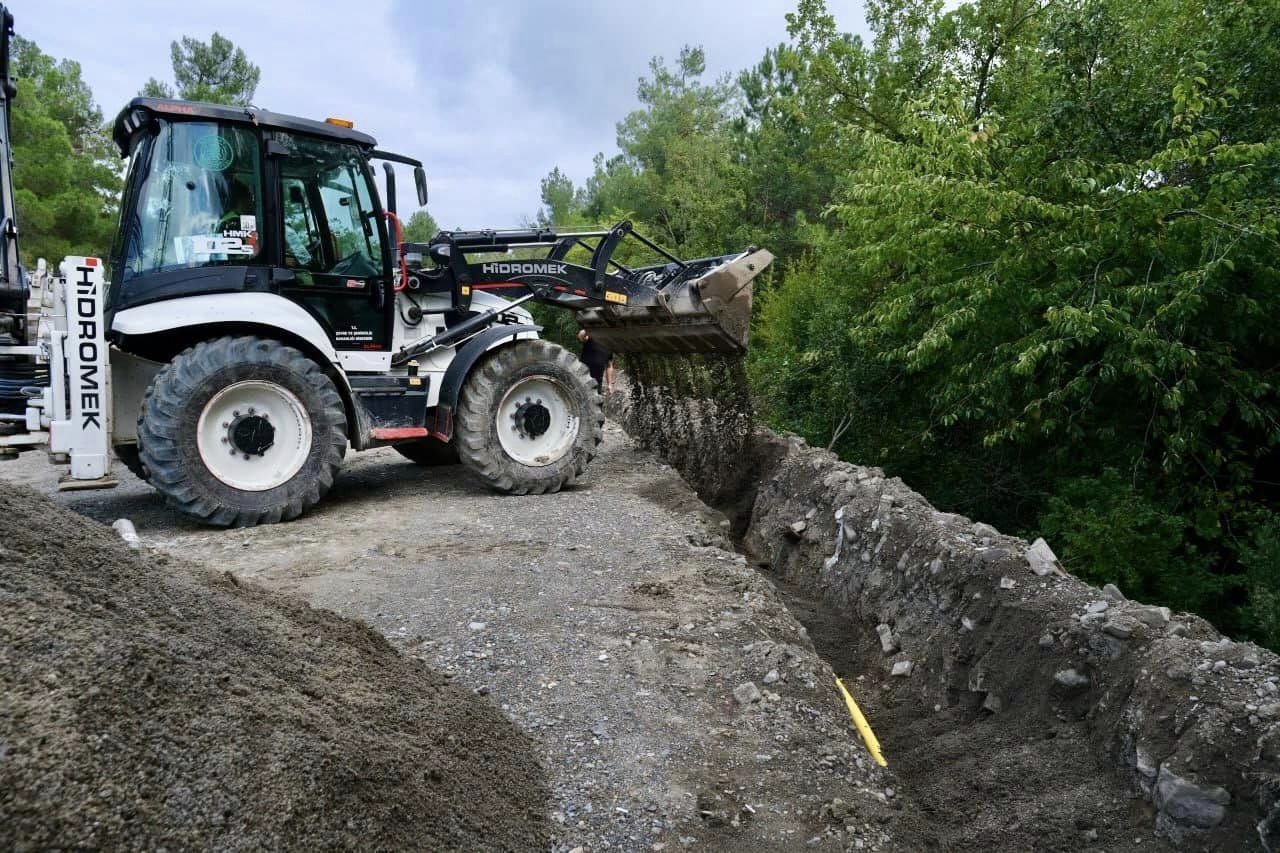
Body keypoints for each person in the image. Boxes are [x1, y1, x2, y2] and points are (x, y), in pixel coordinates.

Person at [578, 328, 614, 394]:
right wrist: (590, 329)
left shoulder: (609, 347)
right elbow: (581, 336)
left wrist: (610, 384)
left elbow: (609, 366)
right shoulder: (591, 337)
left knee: (596, 402)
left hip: (597, 382)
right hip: (582, 377)